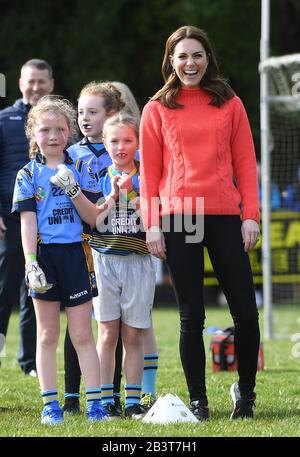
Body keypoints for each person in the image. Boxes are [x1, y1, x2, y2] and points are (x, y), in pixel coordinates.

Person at [139, 25, 261, 421]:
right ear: (170, 61)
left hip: (226, 214)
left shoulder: (231, 104)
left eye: (197, 55)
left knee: (245, 311)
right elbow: (150, 175)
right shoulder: (156, 108)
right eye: (182, 56)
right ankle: (199, 402)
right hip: (181, 214)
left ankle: (245, 395)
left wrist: (250, 217)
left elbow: (246, 163)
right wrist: (153, 223)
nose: (190, 63)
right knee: (192, 315)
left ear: (208, 59)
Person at [52, 112, 156, 420]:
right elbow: (95, 218)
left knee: (134, 334)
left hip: (138, 261)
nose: (120, 147)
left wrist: (132, 193)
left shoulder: (147, 174)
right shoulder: (98, 175)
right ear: (105, 144)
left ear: (137, 143)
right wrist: (112, 195)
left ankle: (134, 400)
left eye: (127, 140)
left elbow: (154, 216)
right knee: (107, 333)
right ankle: (106, 399)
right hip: (105, 260)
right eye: (114, 141)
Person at [12, 95, 107, 425]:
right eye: (45, 130)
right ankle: (50, 406)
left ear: (69, 132)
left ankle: (96, 406)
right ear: (33, 134)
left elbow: (93, 217)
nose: (53, 136)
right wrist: (29, 261)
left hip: (76, 256)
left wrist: (74, 190)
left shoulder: (80, 166)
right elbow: (28, 220)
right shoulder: (26, 174)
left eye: (59, 129)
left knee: (82, 334)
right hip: (45, 258)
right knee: (47, 335)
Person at [0, 59, 54, 376]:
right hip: (10, 218)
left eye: (41, 82)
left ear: (51, 83)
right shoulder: (4, 120)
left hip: (48, 221)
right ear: (20, 82)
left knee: (36, 289)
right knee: (5, 291)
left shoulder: (60, 120)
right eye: (30, 81)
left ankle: (29, 362)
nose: (35, 87)